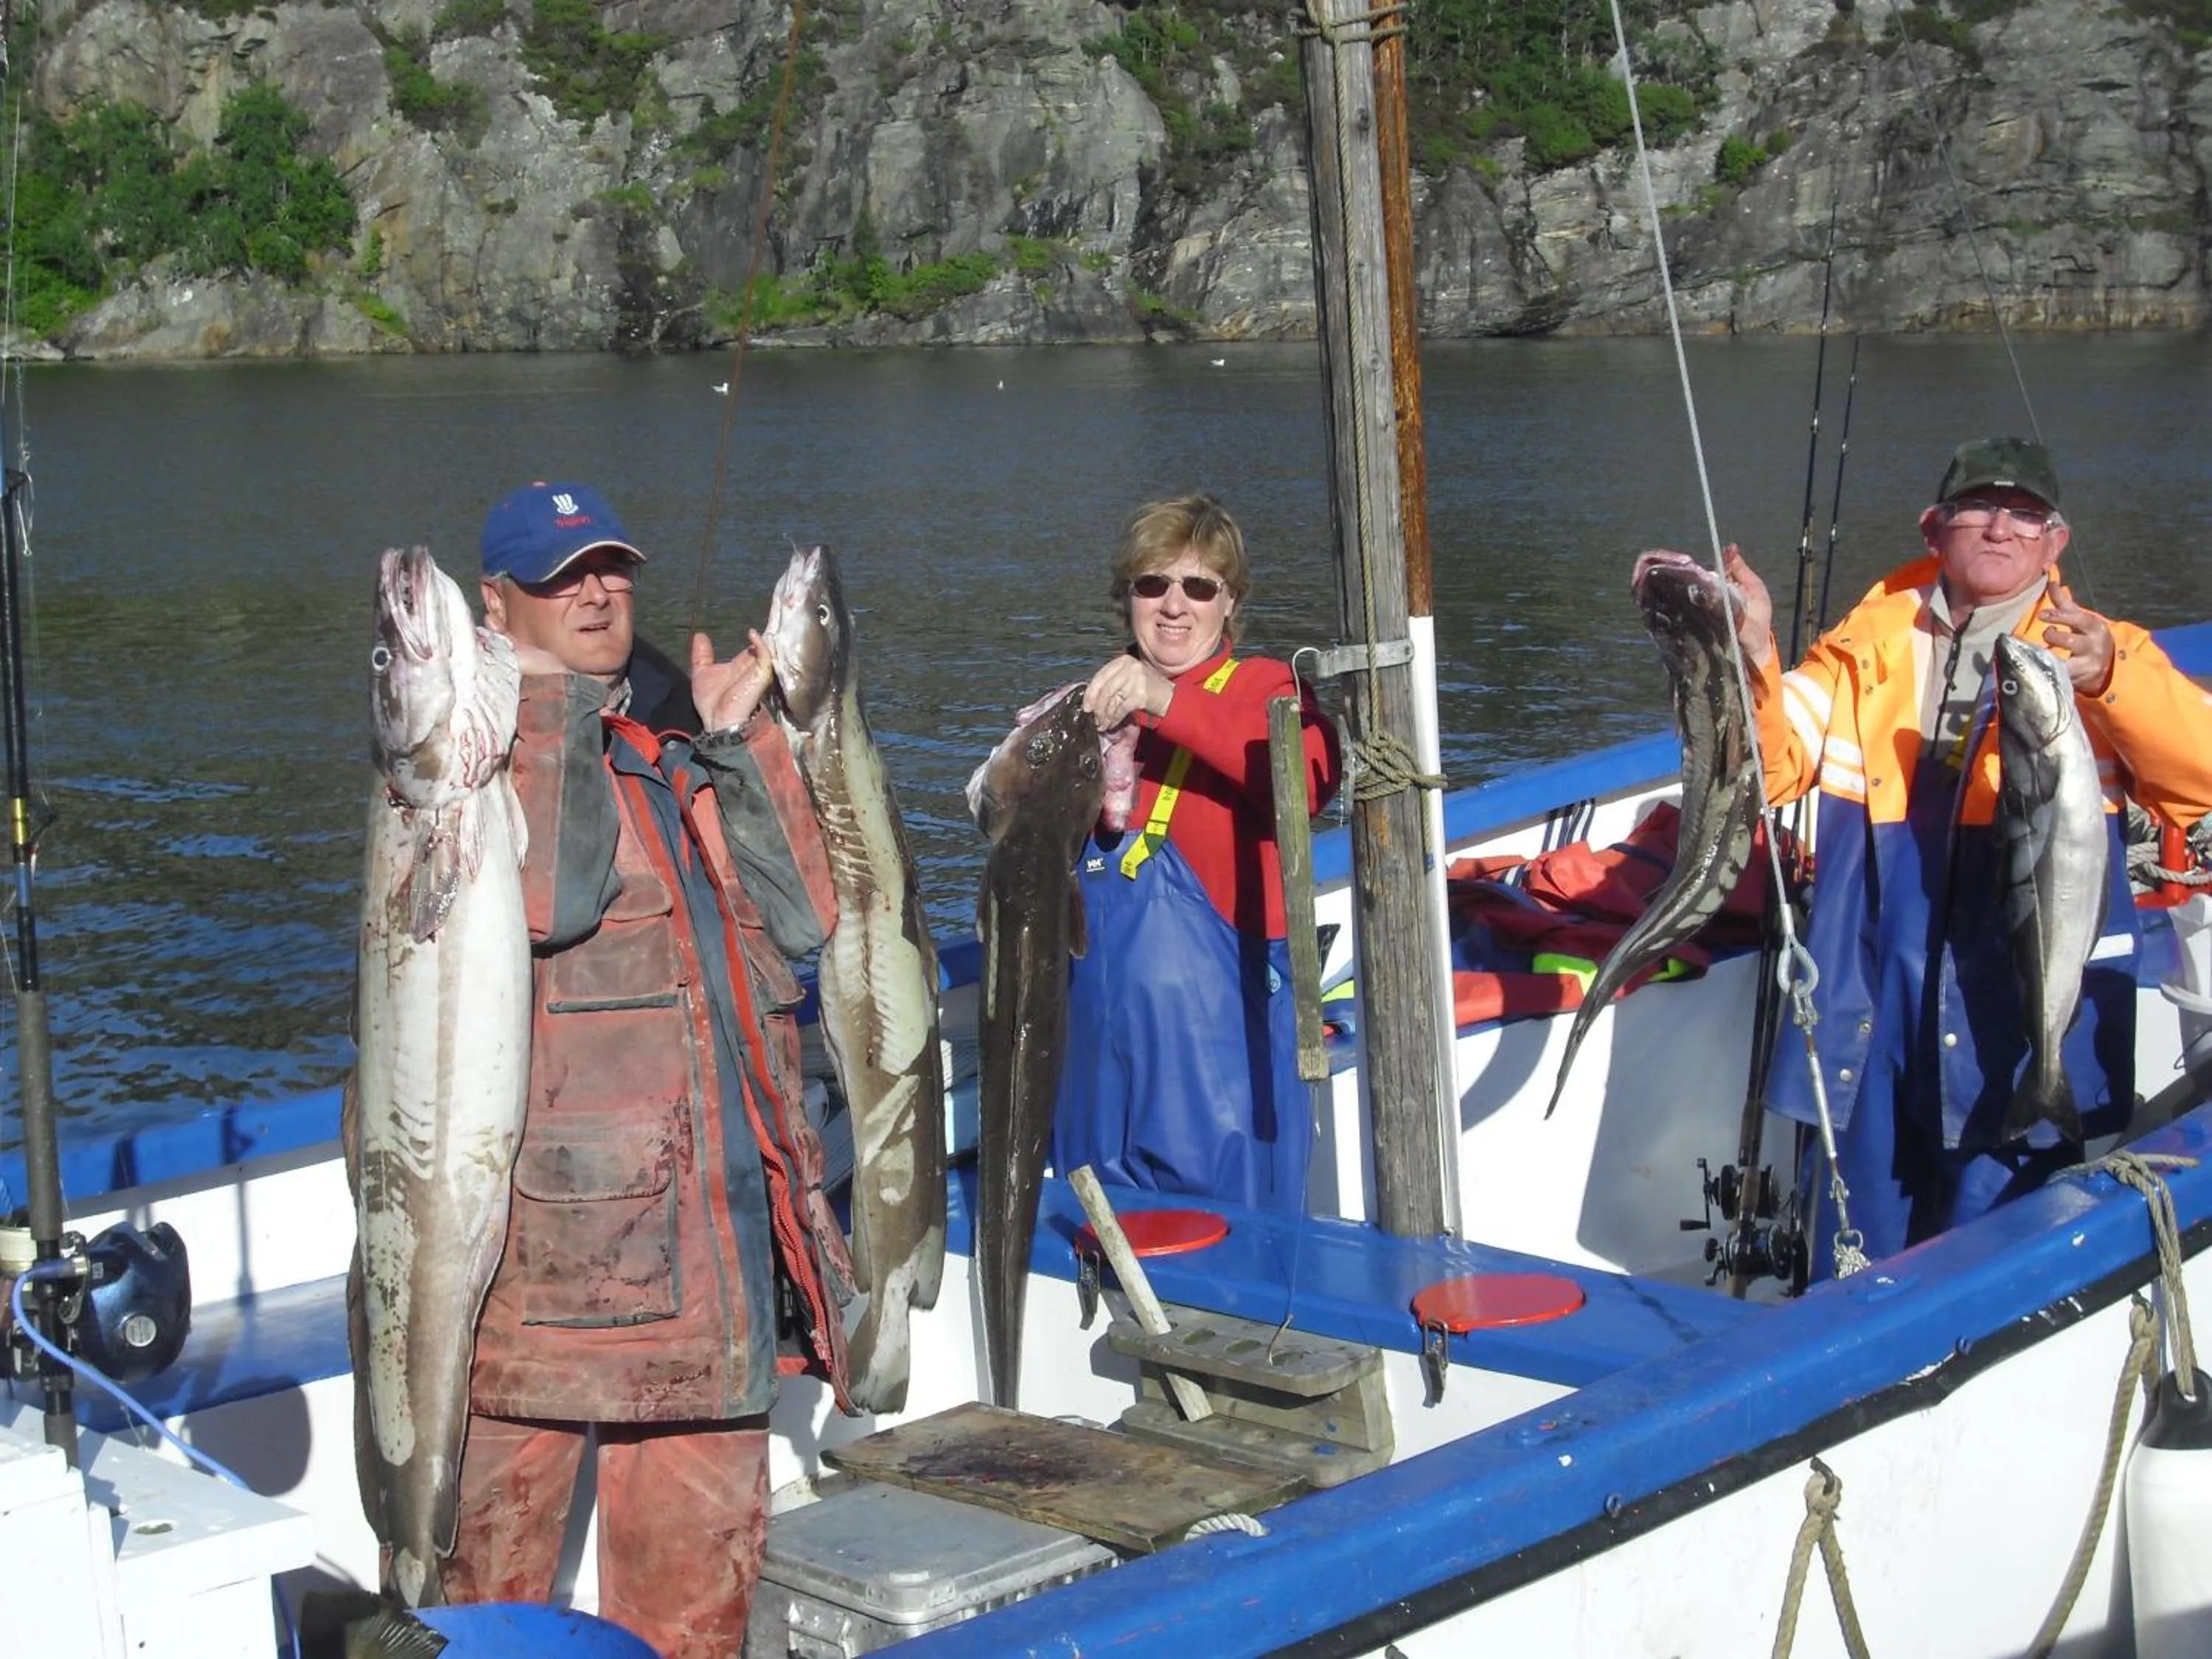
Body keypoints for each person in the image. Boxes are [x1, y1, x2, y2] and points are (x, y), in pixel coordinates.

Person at [446, 480, 855, 1655]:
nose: (596, 590)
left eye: (611, 567)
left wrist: (745, 744)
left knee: (692, 1623)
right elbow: (542, 900)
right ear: (497, 602)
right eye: (559, 574)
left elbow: (807, 917)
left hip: (716, 1269)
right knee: (473, 1613)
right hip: (534, 1288)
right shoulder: (461, 759)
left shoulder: (682, 729)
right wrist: (543, 707)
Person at [1719, 437, 2212, 1275]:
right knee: (1857, 1243)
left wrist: (2110, 679)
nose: (2001, 528)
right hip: (1872, 992)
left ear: (2056, 542)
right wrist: (1754, 654)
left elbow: (2196, 777)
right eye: (1980, 507)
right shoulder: (1858, 647)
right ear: (1934, 528)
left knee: (2006, 1246)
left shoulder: (2094, 652)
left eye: (2026, 515)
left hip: (2013, 1000)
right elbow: (1770, 768)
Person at [1050, 495, 1343, 1212]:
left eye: (1199, 587)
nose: (1174, 606)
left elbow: (1304, 781)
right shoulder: (1093, 708)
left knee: (1230, 1260)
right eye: (1154, 584)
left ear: (1229, 603)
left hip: (1220, 1080)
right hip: (1096, 1073)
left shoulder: (1267, 689)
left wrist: (1163, 699)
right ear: (1128, 598)